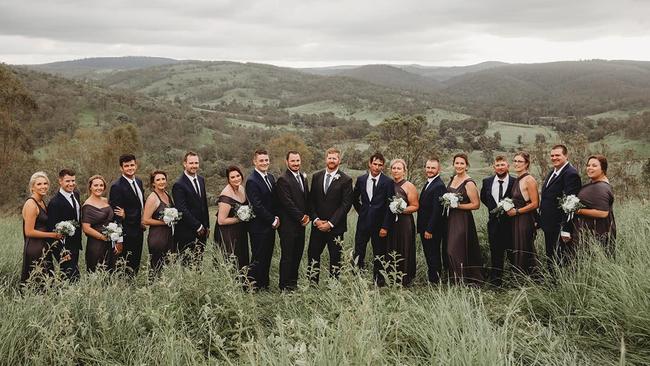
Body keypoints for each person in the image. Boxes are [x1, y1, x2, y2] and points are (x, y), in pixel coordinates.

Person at [307, 147, 353, 284]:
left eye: (334, 158)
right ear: (325, 159)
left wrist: (330, 223)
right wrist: (315, 220)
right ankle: (312, 284)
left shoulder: (346, 180)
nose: (332, 160)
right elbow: (311, 201)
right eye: (330, 157)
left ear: (339, 160)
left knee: (335, 258)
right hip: (317, 226)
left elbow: (346, 205)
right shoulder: (316, 176)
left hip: (336, 228)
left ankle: (333, 286)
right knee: (313, 256)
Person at [352, 152, 392, 285]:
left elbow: (389, 206)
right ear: (370, 164)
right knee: (358, 251)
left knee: (379, 253)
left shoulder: (388, 182)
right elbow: (354, 198)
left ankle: (379, 281)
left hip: (379, 225)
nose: (377, 167)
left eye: (380, 165)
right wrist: (362, 211)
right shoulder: (361, 179)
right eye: (375, 164)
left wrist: (385, 226)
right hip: (363, 223)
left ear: (383, 166)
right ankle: (357, 278)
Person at [539, 144, 581, 268]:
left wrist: (566, 228)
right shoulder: (553, 171)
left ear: (566, 156)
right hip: (549, 223)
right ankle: (551, 284)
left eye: (558, 155)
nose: (554, 158)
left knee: (560, 258)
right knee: (551, 256)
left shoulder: (570, 174)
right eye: (552, 155)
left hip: (560, 225)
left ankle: (558, 285)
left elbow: (571, 203)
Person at [445, 153, 484, 284]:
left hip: (462, 220)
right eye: (457, 163)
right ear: (453, 164)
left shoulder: (469, 183)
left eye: (462, 163)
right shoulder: (453, 178)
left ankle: (462, 279)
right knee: (450, 248)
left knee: (454, 249)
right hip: (450, 218)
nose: (459, 166)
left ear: (467, 166)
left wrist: (458, 205)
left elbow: (476, 205)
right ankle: (455, 279)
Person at [568, 155, 617, 255]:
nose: (590, 168)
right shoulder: (595, 183)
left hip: (597, 231)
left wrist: (577, 210)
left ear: (603, 168)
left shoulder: (601, 188)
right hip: (588, 231)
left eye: (594, 165)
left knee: (593, 260)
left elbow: (603, 213)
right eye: (588, 165)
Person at [275, 151, 310, 290]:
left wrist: (307, 215)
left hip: (301, 226)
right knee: (288, 256)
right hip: (288, 226)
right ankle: (284, 286)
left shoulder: (303, 176)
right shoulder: (283, 179)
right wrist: (301, 217)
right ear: (287, 162)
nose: (296, 163)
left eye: (298, 161)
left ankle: (293, 284)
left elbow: (306, 199)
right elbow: (287, 203)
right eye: (293, 161)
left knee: (297, 255)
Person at [245, 149, 280, 290]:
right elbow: (257, 206)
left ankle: (264, 284)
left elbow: (274, 200)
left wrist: (277, 217)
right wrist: (272, 220)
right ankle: (252, 286)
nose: (265, 163)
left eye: (266, 160)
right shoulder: (252, 181)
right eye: (261, 160)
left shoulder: (270, 177)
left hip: (270, 225)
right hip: (258, 227)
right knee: (258, 257)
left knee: (267, 256)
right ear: (255, 161)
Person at [382, 159, 419, 286]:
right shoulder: (387, 184)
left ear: (404, 171)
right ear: (390, 170)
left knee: (404, 247)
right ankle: (390, 278)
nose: (396, 171)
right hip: (389, 223)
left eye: (399, 168)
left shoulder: (409, 186)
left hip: (404, 223)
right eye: (394, 168)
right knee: (390, 247)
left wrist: (400, 209)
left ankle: (404, 279)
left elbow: (415, 206)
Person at [21, 172, 63, 284]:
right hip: (35, 248)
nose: (43, 186)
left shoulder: (41, 202)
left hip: (44, 246)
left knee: (47, 281)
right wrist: (52, 235)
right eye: (39, 184)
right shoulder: (31, 204)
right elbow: (28, 231)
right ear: (32, 187)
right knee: (37, 282)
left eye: (45, 183)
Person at [479, 156, 515, 286]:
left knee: (512, 253)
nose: (500, 167)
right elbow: (484, 197)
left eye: (502, 164)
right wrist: (493, 209)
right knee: (495, 253)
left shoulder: (514, 182)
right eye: (497, 165)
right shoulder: (487, 182)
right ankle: (496, 282)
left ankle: (514, 280)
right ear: (494, 167)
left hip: (511, 224)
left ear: (508, 166)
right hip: (493, 224)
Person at [109, 154, 145, 276]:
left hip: (139, 230)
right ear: (121, 168)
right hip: (126, 233)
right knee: (125, 267)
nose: (130, 168)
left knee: (136, 265)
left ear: (136, 165)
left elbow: (140, 205)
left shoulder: (139, 182)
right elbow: (116, 216)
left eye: (132, 165)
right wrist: (119, 240)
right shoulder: (116, 186)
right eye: (126, 166)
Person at [172, 151, 210, 267]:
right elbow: (182, 209)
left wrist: (207, 225)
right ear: (185, 164)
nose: (194, 165)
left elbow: (204, 204)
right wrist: (197, 226)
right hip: (186, 232)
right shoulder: (178, 184)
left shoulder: (201, 180)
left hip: (202, 231)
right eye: (191, 163)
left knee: (198, 264)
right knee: (187, 265)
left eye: (196, 163)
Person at [505, 152, 540, 276]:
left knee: (525, 247)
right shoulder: (518, 179)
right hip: (516, 219)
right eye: (515, 161)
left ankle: (532, 277)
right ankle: (519, 276)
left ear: (526, 164)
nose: (516, 163)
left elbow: (535, 203)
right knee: (517, 247)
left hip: (525, 219)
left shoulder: (529, 180)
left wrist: (517, 211)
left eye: (520, 161)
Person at [46, 169, 82, 281]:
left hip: (75, 243)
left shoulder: (76, 195)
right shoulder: (54, 203)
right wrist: (61, 251)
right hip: (64, 247)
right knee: (70, 276)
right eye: (67, 181)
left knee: (72, 276)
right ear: (60, 181)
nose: (71, 184)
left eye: (73, 180)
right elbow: (52, 228)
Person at [83, 175, 123, 272]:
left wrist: (123, 214)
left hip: (110, 242)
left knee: (111, 271)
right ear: (90, 187)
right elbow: (86, 228)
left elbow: (115, 220)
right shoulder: (87, 205)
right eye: (96, 185)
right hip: (96, 244)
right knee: (97, 271)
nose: (99, 188)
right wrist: (103, 237)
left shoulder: (106, 200)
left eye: (101, 185)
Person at [417, 157, 448, 283]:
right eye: (428, 167)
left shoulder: (439, 185)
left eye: (433, 168)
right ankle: (433, 279)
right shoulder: (430, 182)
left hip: (432, 229)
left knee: (433, 254)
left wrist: (429, 229)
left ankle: (435, 282)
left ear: (438, 169)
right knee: (429, 254)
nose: (430, 170)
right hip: (426, 227)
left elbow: (437, 210)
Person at [214, 165, 250, 271]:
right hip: (228, 233)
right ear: (228, 180)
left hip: (240, 230)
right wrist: (241, 218)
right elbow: (221, 220)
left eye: (238, 176)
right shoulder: (226, 194)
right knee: (231, 258)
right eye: (232, 177)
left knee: (242, 256)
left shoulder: (242, 188)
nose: (236, 179)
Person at [142, 170, 176, 277]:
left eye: (163, 179)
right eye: (158, 180)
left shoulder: (166, 194)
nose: (161, 182)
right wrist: (164, 222)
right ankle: (153, 289)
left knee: (167, 266)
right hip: (158, 237)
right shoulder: (152, 198)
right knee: (157, 267)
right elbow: (145, 220)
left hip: (169, 235)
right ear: (153, 183)